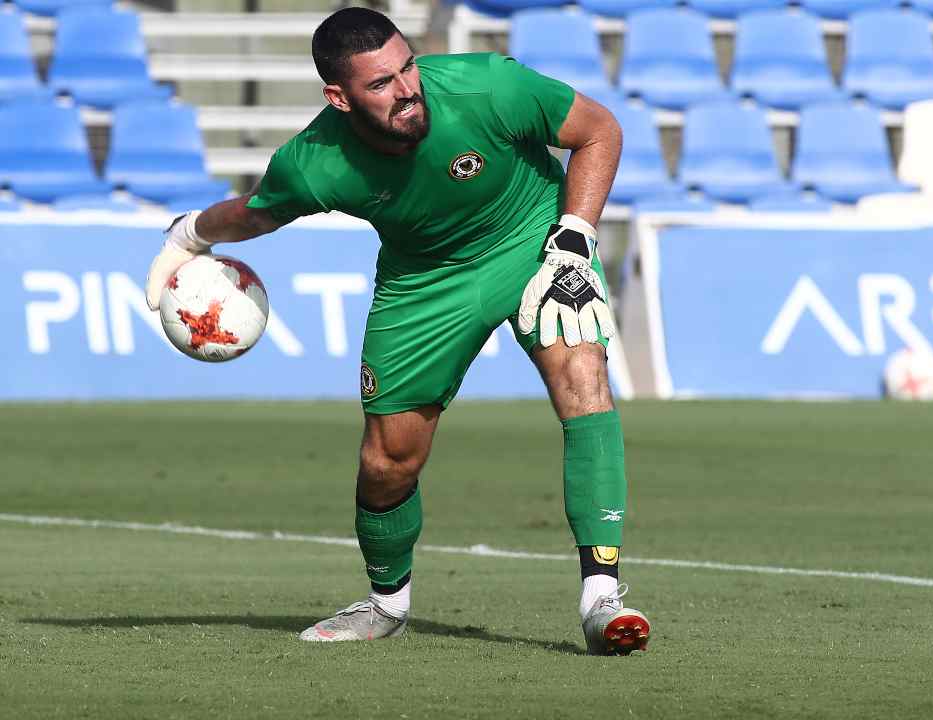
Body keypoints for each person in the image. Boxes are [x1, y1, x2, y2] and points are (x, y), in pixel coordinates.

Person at [143, 6, 648, 656]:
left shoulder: (487, 85)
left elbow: (599, 131)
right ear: (339, 97)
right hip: (424, 282)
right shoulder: (314, 162)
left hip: (536, 243)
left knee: (585, 378)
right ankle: (386, 605)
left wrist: (572, 243)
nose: (407, 87)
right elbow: (258, 214)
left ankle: (601, 597)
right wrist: (187, 236)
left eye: (406, 66)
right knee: (388, 462)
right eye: (380, 83)